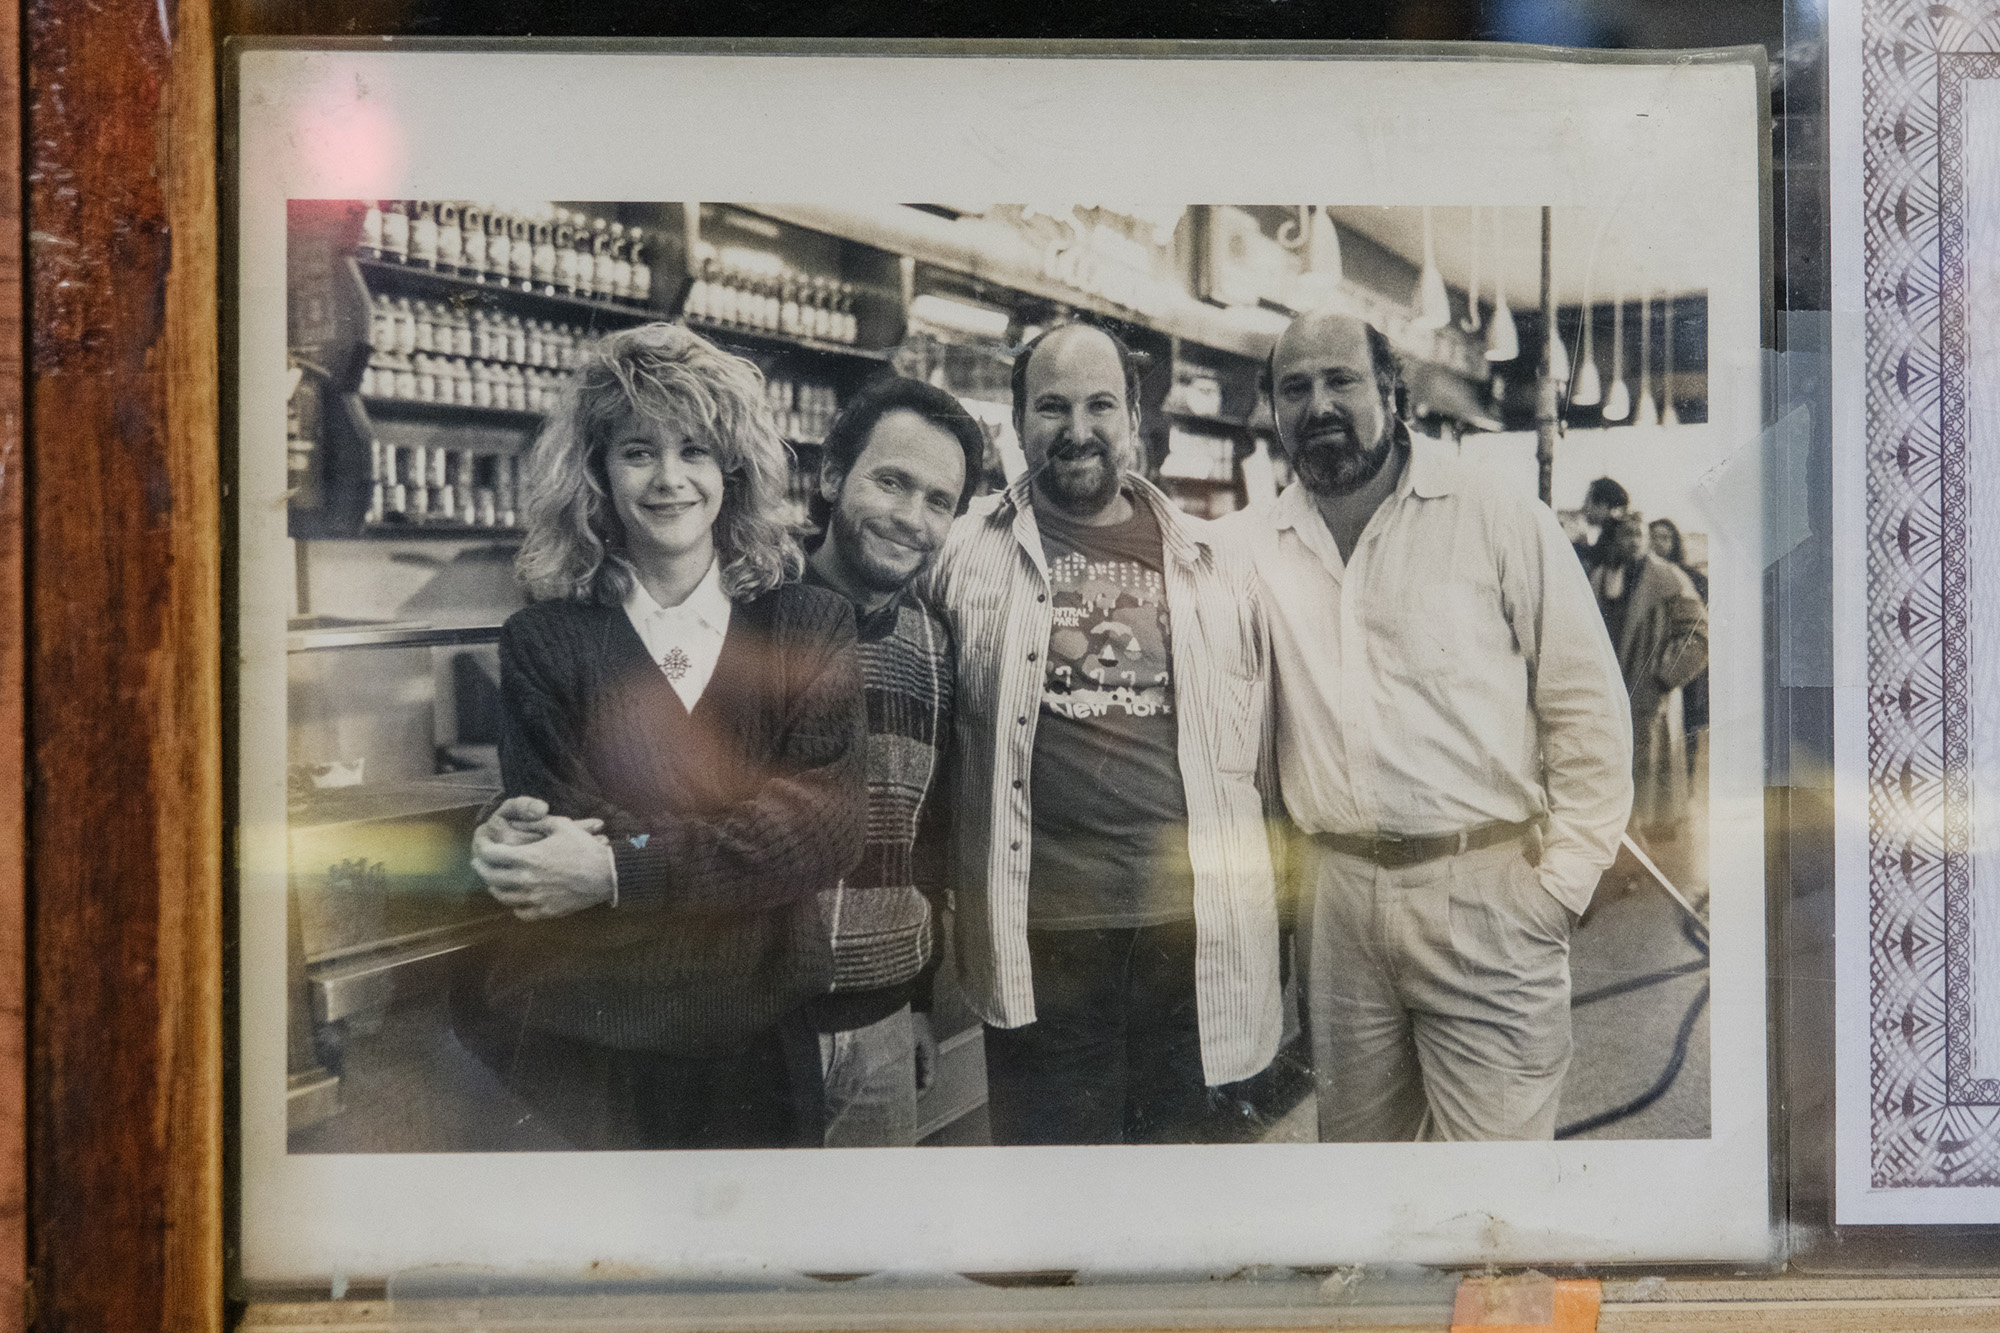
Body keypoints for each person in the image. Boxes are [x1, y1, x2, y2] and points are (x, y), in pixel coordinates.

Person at [1225, 309, 1632, 1142]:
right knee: (1364, 1179)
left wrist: (1563, 885)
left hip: (1484, 887)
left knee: (1494, 1198)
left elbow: (1586, 704)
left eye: (1340, 380)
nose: (1318, 404)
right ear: (1270, 407)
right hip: (1335, 903)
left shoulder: (1494, 512)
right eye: (1293, 388)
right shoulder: (1249, 544)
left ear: (1390, 390)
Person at [465, 322, 867, 1150]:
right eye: (638, 451)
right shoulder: (543, 640)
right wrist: (745, 863)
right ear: (598, 473)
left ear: (734, 470)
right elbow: (556, 839)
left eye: (695, 450)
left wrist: (617, 871)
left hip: (762, 1048)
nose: (669, 479)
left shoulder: (809, 623)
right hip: (595, 1050)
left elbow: (825, 828)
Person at [924, 321, 1282, 1145]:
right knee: (1052, 1213)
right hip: (1039, 934)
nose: (1077, 430)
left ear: (1134, 420)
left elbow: (1258, 757)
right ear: (1017, 423)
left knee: (1175, 1204)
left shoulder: (1216, 565)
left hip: (1191, 936)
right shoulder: (959, 552)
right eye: (1052, 406)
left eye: (1100, 405)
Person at [800, 375, 985, 1147]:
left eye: (937, 500)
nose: (912, 518)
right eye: (891, 482)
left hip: (880, 1030)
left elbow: (925, 839)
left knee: (869, 1259)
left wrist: (915, 1004)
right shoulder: (748, 607)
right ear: (832, 475)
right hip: (758, 1028)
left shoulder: (935, 644)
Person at [1595, 514, 1708, 843]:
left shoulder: (1668, 578)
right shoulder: (1601, 577)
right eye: (1625, 534)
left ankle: (1642, 863)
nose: (1631, 540)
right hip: (1606, 700)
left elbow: (1699, 636)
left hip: (1646, 700)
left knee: (1647, 795)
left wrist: (1662, 677)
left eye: (1637, 534)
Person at [1648, 516, 1710, 766]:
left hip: (1684, 661)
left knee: (1686, 724)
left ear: (1675, 542)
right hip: (1653, 660)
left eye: (1665, 537)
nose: (1659, 543)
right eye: (1653, 536)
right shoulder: (1641, 577)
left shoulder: (1693, 579)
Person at [1576, 476, 1630, 571]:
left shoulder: (1614, 537)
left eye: (1587, 501)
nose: (1584, 507)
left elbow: (1592, 562)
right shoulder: (1613, 532)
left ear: (1603, 505)